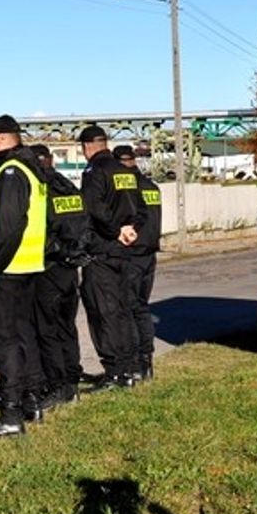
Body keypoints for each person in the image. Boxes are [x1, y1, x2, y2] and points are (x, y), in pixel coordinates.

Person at [0, 114, 48, 436]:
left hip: (7, 268)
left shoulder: (10, 172)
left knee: (4, 341)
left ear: (2, 140)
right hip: (28, 266)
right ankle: (32, 400)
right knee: (23, 336)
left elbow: (8, 227)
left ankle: (10, 413)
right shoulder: (30, 168)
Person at [77, 126, 145, 389]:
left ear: (86, 147)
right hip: (124, 250)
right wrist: (131, 230)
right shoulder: (124, 170)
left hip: (103, 251)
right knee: (122, 310)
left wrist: (115, 231)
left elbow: (93, 208)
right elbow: (140, 207)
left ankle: (114, 372)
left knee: (102, 313)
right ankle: (129, 367)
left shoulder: (95, 171)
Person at [30, 144, 92, 409]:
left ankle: (57, 386)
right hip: (70, 268)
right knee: (66, 327)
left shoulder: (41, 189)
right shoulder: (68, 187)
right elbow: (84, 227)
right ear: (52, 160)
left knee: (47, 330)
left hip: (48, 267)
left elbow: (39, 231)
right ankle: (71, 381)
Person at [113, 144, 162, 381]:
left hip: (132, 255)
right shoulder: (152, 187)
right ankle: (147, 362)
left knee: (129, 308)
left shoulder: (128, 189)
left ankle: (134, 363)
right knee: (141, 307)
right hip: (150, 255)